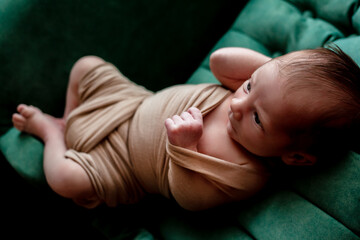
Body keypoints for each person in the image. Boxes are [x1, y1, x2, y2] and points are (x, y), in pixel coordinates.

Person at [12, 46, 360, 210]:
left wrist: (185, 147)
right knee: (86, 64)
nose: (238, 106)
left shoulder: (247, 172)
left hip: (123, 165)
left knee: (64, 180)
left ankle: (52, 133)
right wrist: (273, 75)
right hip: (131, 104)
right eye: (249, 87)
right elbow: (219, 61)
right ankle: (70, 120)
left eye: (258, 119)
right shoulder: (262, 96)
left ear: (296, 156)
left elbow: (190, 198)